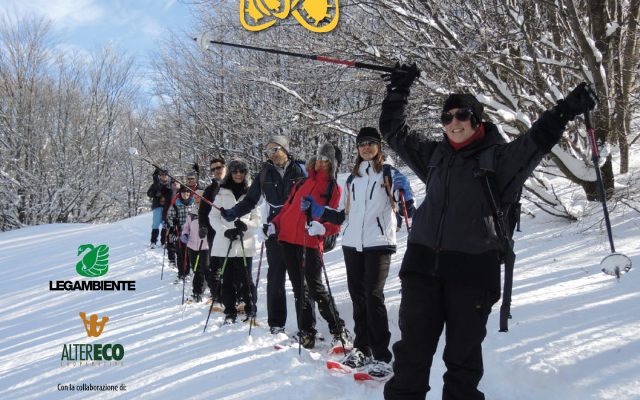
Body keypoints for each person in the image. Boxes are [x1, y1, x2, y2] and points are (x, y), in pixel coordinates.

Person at [379, 63, 597, 400]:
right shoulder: (435, 155)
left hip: (472, 274)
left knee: (463, 365)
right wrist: (398, 91)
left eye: (462, 115)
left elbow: (537, 140)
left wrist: (567, 108)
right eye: (447, 117)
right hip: (422, 269)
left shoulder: (499, 159)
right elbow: (393, 130)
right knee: (410, 359)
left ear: (477, 119)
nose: (454, 122)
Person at [301, 127, 396, 378]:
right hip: (353, 244)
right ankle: (362, 349)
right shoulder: (353, 179)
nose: (366, 147)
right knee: (358, 297)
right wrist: (318, 212)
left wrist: (404, 195)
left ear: (378, 146)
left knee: (373, 297)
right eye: (361, 143)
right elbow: (345, 215)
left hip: (378, 242)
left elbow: (401, 199)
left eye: (370, 143)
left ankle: (382, 355)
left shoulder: (387, 172)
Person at [220, 136, 307, 335]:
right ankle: (276, 324)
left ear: (285, 149)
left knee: (301, 280)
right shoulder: (264, 174)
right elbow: (251, 200)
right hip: (275, 231)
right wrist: (233, 212)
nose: (272, 154)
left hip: (298, 231)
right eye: (268, 151)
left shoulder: (301, 169)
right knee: (275, 278)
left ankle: (306, 326)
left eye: (275, 149)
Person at [269, 142, 349, 349]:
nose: (322, 162)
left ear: (334, 164)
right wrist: (273, 224)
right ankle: (306, 331)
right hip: (287, 239)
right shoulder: (301, 183)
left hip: (310, 241)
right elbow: (287, 209)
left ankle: (338, 328)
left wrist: (323, 229)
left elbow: (337, 220)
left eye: (327, 160)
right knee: (299, 289)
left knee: (315, 287)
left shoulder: (334, 188)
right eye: (320, 158)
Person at [209, 159, 260, 324]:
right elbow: (213, 217)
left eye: (241, 171)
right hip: (226, 242)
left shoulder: (252, 193)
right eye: (235, 171)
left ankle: (250, 307)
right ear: (230, 173)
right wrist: (225, 231)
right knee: (228, 278)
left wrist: (245, 226)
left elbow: (257, 219)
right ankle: (229, 310)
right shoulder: (222, 192)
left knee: (246, 279)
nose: (238, 174)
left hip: (245, 242)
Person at [198, 158, 226, 302]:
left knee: (232, 265)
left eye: (219, 167)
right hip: (214, 233)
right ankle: (218, 295)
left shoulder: (234, 184)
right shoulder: (209, 190)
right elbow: (202, 212)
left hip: (231, 230)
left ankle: (236, 296)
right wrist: (202, 227)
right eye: (213, 169)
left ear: (225, 167)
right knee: (215, 266)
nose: (217, 171)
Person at [181, 190, 210, 302]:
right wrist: (184, 234)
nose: (198, 198)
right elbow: (186, 227)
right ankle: (197, 292)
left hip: (205, 245)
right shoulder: (191, 212)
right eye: (196, 196)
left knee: (206, 269)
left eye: (200, 197)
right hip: (192, 245)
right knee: (196, 269)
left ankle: (213, 291)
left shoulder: (209, 211)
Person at [167, 185, 195, 282]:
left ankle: (192, 272)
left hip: (193, 232)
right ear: (180, 193)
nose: (186, 194)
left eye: (187, 192)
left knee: (192, 253)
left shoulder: (194, 204)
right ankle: (182, 273)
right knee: (181, 253)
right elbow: (169, 217)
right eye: (183, 192)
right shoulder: (175, 205)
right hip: (180, 232)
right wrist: (173, 223)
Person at [146, 167, 172, 248]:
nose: (164, 176)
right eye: (162, 175)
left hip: (166, 207)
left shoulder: (170, 184)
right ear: (160, 176)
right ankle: (153, 242)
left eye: (165, 175)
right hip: (157, 206)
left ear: (168, 176)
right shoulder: (155, 184)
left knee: (165, 224)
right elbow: (149, 193)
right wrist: (155, 193)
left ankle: (163, 242)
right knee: (156, 224)